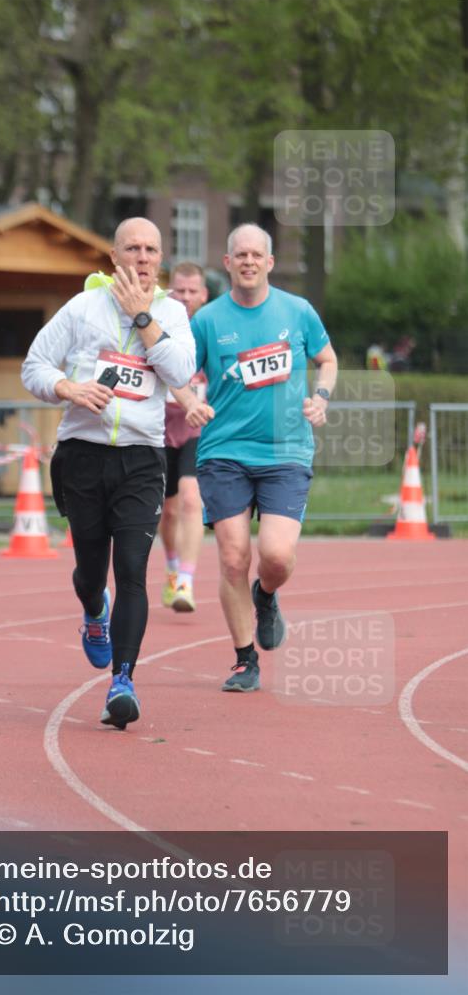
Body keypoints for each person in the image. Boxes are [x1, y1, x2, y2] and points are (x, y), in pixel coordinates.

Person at [22, 217, 195, 729]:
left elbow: (182, 373)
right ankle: (92, 610)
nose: (143, 257)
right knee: (92, 574)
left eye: (151, 249)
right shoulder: (82, 308)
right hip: (83, 453)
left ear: (159, 258)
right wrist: (67, 389)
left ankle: (123, 681)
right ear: (114, 256)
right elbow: (33, 366)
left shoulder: (171, 313)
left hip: (142, 457)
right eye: (132, 248)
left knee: (133, 573)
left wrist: (144, 319)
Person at [180, 224, 338, 693]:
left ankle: (265, 595)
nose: (248, 261)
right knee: (233, 556)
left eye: (256, 255)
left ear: (269, 262)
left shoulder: (298, 311)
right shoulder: (206, 320)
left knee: (275, 555)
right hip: (223, 452)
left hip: (286, 451)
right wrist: (190, 399)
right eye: (239, 255)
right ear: (227, 263)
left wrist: (322, 397)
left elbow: (327, 359)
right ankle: (245, 660)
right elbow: (176, 371)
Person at [160, 262, 208, 613]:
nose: (186, 297)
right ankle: (173, 565)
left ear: (204, 295)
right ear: (170, 292)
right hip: (157, 431)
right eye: (180, 290)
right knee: (168, 511)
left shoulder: (211, 329)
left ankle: (185, 581)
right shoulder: (156, 325)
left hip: (196, 429)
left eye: (193, 291)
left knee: (191, 499)